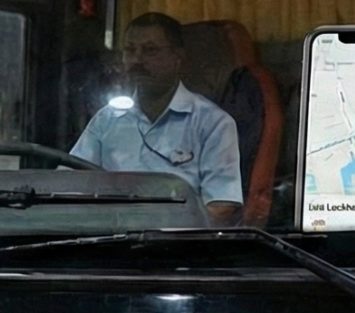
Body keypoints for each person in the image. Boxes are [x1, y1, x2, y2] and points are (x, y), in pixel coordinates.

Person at [69, 12, 244, 225]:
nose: (137, 60)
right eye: (130, 50)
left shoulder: (212, 123)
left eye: (150, 50)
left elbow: (221, 205)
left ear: (178, 57)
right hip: (110, 236)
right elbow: (70, 183)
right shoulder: (107, 119)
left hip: (175, 241)